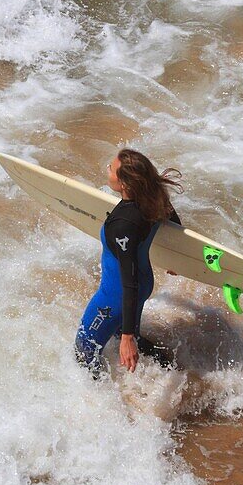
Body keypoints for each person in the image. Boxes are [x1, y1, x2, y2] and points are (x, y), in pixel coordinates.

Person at [74, 148, 182, 376]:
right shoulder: (154, 198)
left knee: (85, 349)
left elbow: (128, 280)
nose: (108, 170)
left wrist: (127, 338)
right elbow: (173, 220)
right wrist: (176, 257)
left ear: (125, 183)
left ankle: (99, 398)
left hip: (117, 293)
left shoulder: (123, 225)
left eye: (111, 169)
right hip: (142, 284)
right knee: (121, 331)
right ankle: (169, 369)